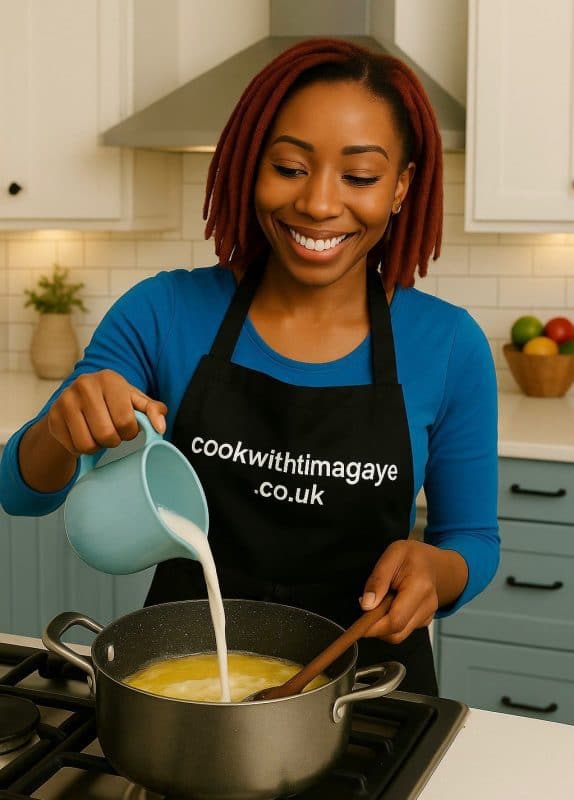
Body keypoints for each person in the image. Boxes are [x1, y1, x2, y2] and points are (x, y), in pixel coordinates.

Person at [0, 39, 499, 696]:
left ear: (402, 185)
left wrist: (439, 568)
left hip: (367, 693)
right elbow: (21, 489)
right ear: (249, 166)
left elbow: (472, 541)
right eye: (290, 167)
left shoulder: (449, 344)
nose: (320, 204)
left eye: (359, 176)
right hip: (178, 692)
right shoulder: (166, 312)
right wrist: (60, 431)